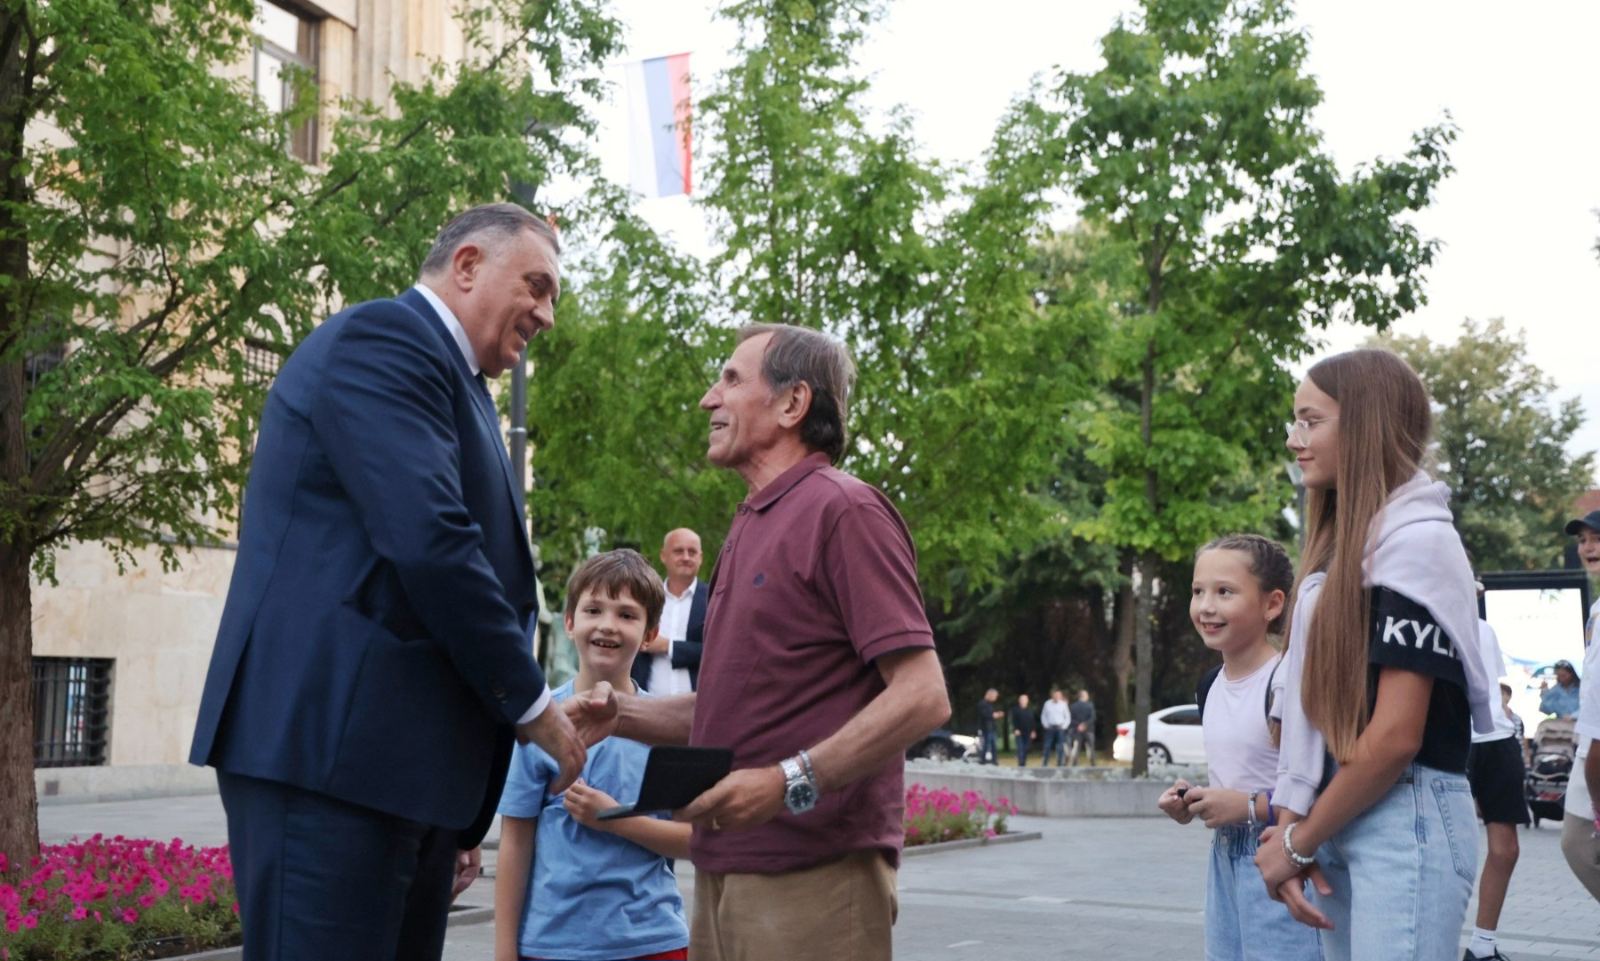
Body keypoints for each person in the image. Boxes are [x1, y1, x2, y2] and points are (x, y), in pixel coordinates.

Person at [188, 204, 590, 961]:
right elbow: (431, 540)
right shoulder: (386, 339)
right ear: (467, 264)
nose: (546, 313)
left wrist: (453, 813)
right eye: (537, 286)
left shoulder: (458, 383)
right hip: (331, 768)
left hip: (395, 780)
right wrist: (534, 704)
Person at [565, 323, 951, 961]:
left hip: (813, 874)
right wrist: (622, 713)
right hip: (723, 871)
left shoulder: (844, 510)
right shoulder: (748, 524)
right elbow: (728, 708)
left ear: (792, 404)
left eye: (731, 379)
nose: (708, 399)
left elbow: (922, 696)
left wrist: (788, 781)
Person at [1256, 349, 1496, 961]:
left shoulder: (1418, 544)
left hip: (1402, 812)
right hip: (1342, 810)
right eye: (1294, 423)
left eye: (1310, 421)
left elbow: (1394, 737)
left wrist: (1298, 842)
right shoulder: (1345, 549)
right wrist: (1293, 834)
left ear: (1364, 424)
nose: (1294, 441)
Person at [494, 550, 690, 961]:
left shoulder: (667, 729)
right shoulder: (542, 724)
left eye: (626, 614)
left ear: (651, 633)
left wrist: (617, 820)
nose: (607, 625)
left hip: (652, 941)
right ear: (569, 622)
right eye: (594, 609)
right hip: (551, 944)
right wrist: (504, 951)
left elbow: (692, 842)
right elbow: (515, 843)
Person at [1157, 534, 1320, 961]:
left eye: (1224, 592)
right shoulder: (1209, 685)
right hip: (1224, 857)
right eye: (1198, 591)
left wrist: (1248, 805)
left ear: (1272, 604)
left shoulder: (1287, 683)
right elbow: (1241, 774)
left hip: (1279, 854)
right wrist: (1193, 800)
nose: (1206, 606)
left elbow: (1323, 794)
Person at [1464, 614, 1529, 961]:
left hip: (1497, 737)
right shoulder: (1419, 615)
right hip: (1453, 741)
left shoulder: (1484, 629)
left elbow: (1494, 690)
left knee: (1506, 848)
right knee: (1450, 851)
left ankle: (1482, 945)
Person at [1560, 508, 1600, 900]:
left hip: (1596, 750)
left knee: (1578, 845)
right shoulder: (1595, 610)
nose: (1588, 547)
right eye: (1583, 540)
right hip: (1589, 746)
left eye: (1597, 539)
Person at [630, 528, 708, 694]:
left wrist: (668, 646)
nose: (686, 557)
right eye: (679, 551)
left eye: (692, 552)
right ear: (663, 556)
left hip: (698, 708)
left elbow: (720, 652)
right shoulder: (644, 598)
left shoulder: (714, 600)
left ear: (700, 558)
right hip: (646, 706)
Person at [1066, 689, 1096, 765]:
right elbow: (1092, 717)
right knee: (1091, 746)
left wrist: (1079, 725)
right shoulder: (1090, 705)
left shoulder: (1073, 706)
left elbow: (1071, 719)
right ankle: (1093, 763)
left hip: (1077, 729)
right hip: (1089, 729)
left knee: (1076, 747)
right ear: (1084, 696)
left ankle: (1075, 763)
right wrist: (1085, 724)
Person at [1041, 689, 1070, 766]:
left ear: (1061, 696)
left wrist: (1064, 726)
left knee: (1060, 747)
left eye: (1059, 695)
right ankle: (1045, 763)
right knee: (1047, 746)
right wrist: (1045, 725)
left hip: (1060, 728)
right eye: (1055, 695)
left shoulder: (1063, 704)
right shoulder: (1047, 704)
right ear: (1052, 695)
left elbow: (1067, 716)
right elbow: (1043, 715)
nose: (1057, 696)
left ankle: (1060, 763)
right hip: (1050, 728)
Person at [1011, 693, 1039, 767]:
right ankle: (1021, 764)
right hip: (1019, 732)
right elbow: (1013, 721)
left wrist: (1033, 731)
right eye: (1022, 699)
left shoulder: (1030, 711)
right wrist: (1015, 729)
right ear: (1019, 701)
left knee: (1026, 748)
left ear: (1027, 701)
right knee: (1020, 748)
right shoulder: (1015, 710)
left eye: (1025, 699)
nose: (1023, 701)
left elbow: (1033, 722)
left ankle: (1024, 762)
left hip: (1028, 732)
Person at [976, 688, 1002, 765]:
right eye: (994, 696)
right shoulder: (982, 704)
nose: (995, 698)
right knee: (986, 744)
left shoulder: (990, 705)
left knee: (993, 745)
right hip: (986, 728)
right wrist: (994, 715)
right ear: (990, 695)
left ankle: (994, 760)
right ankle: (982, 760)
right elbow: (985, 715)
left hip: (991, 728)